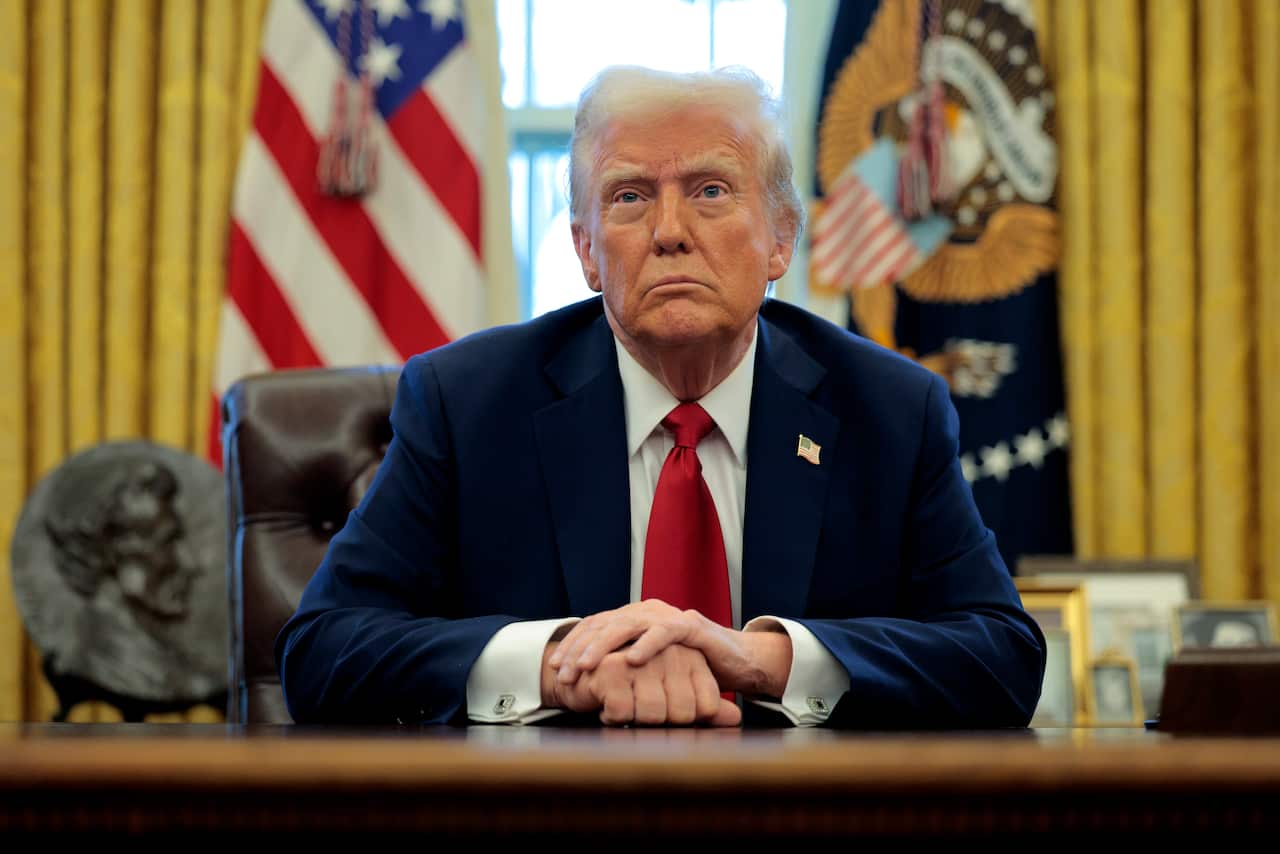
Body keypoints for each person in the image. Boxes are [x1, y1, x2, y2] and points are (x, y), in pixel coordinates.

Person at [275, 65, 1046, 729]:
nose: (669, 231)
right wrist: (559, 665)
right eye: (629, 197)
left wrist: (765, 658)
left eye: (710, 190)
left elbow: (1001, 656)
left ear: (781, 237)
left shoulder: (891, 410)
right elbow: (322, 650)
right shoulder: (467, 403)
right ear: (586, 250)